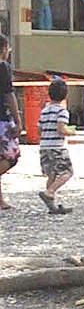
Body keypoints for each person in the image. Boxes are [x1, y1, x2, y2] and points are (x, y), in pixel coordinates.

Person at [35, 77, 74, 214]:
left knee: (51, 175)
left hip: (44, 147)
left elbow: (39, 130)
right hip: (57, 147)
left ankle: (52, 206)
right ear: (65, 95)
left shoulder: (44, 111)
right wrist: (70, 132)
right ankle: (49, 192)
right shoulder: (62, 111)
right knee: (67, 172)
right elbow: (61, 129)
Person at [0, 34, 18, 210]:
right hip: (2, 120)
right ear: (4, 48)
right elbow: (8, 94)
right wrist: (18, 120)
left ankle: (0, 200)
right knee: (12, 156)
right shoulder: (3, 66)